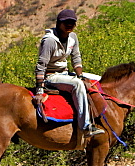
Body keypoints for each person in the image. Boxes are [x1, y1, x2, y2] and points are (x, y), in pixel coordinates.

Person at [33, 9, 104, 137]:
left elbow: (76, 58)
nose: (69, 25)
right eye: (66, 22)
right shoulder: (50, 41)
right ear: (58, 23)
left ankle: (101, 117)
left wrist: (81, 75)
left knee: (98, 79)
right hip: (51, 76)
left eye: (72, 22)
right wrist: (39, 90)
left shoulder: (73, 37)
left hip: (65, 73)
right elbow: (41, 66)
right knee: (77, 84)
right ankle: (85, 126)